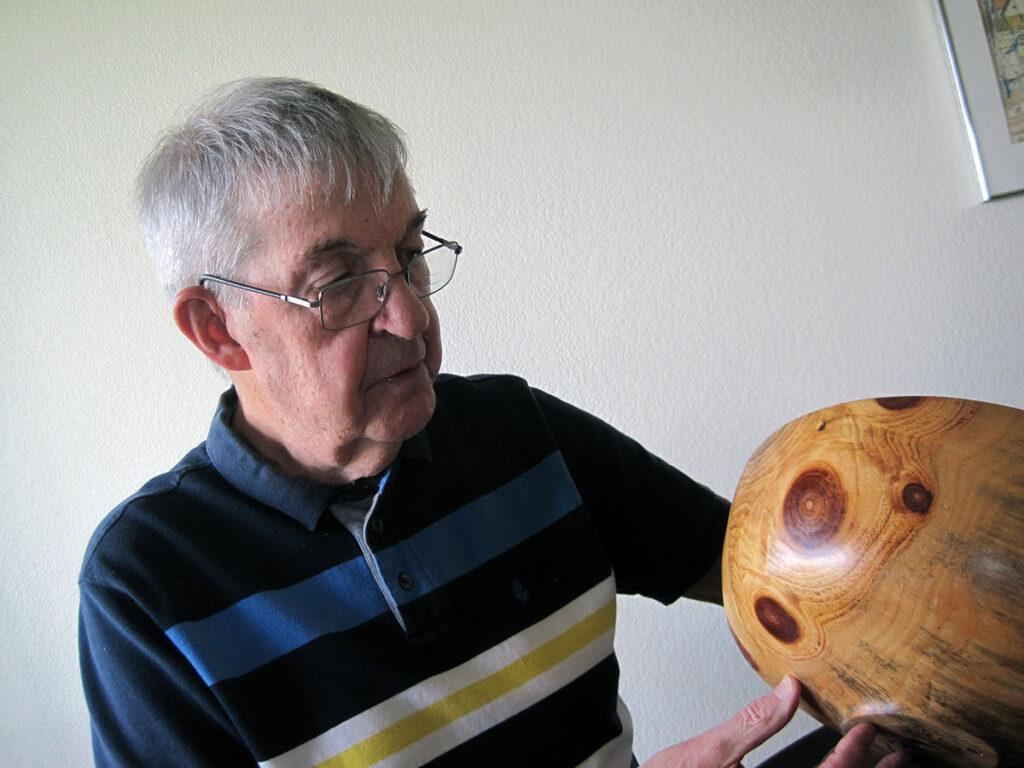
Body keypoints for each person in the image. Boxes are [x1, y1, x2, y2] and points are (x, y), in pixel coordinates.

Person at [78, 78, 905, 768]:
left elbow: (766, 573)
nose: (407, 315)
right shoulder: (146, 585)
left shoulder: (518, 433)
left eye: (407, 255)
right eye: (336, 283)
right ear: (218, 331)